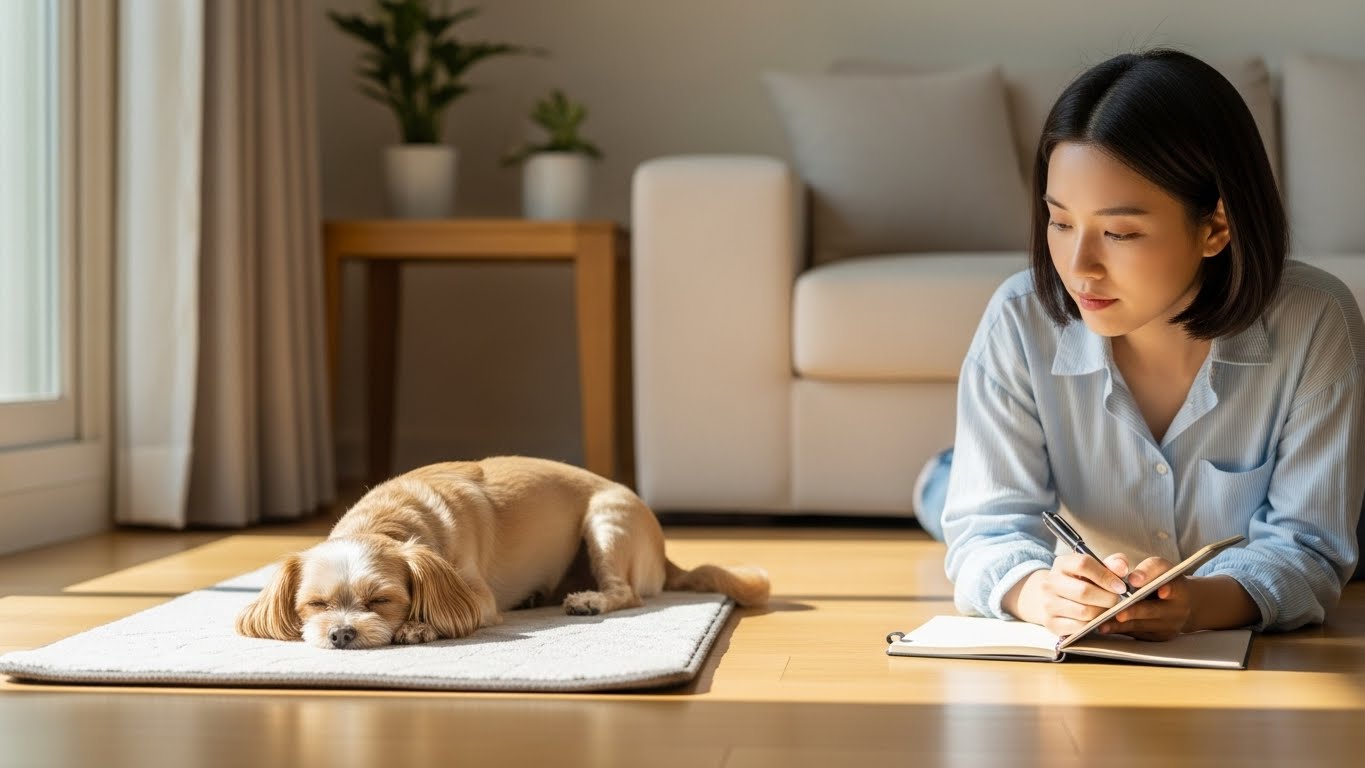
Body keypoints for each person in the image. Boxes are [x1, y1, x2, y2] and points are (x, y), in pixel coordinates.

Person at [914, 49, 1365, 640]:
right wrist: (1034, 591)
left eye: (1120, 232)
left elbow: (1309, 546)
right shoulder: (1019, 318)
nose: (1080, 269)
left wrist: (1197, 606)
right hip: (1075, 538)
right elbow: (987, 531)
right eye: (1060, 221)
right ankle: (943, 476)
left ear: (1215, 227)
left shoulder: (1317, 320)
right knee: (952, 497)